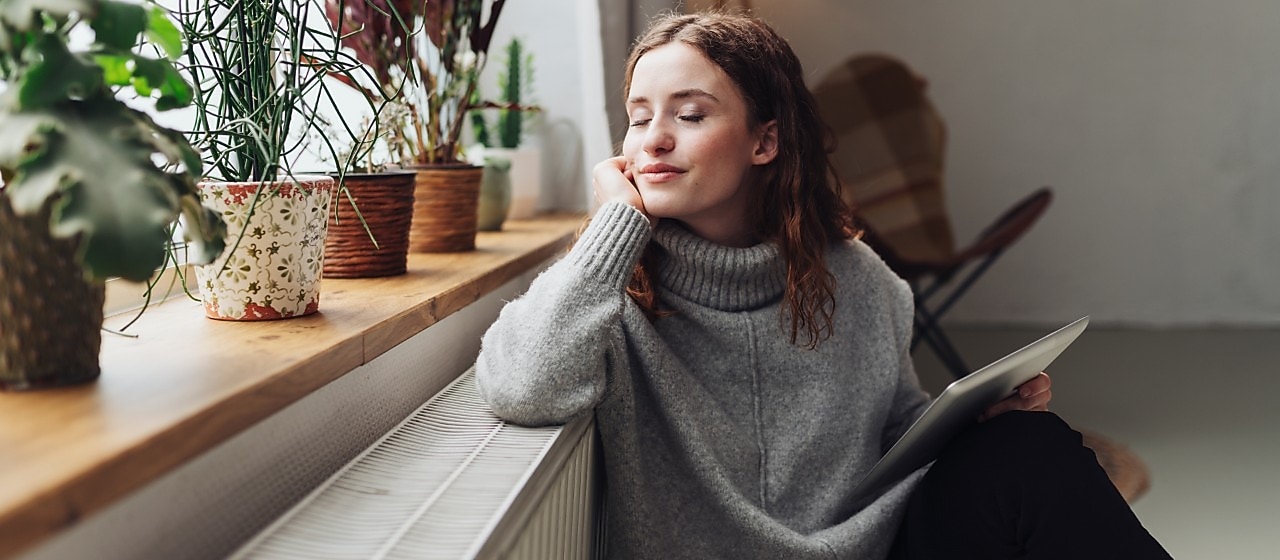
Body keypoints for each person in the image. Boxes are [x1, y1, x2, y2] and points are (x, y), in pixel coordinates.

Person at [476, 11, 1171, 560]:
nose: (653, 139)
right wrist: (611, 226)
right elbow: (520, 388)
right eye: (637, 117)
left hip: (874, 549)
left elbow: (894, 431)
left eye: (689, 115)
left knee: (1030, 450)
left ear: (765, 141)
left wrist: (976, 426)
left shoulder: (859, 279)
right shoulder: (604, 288)